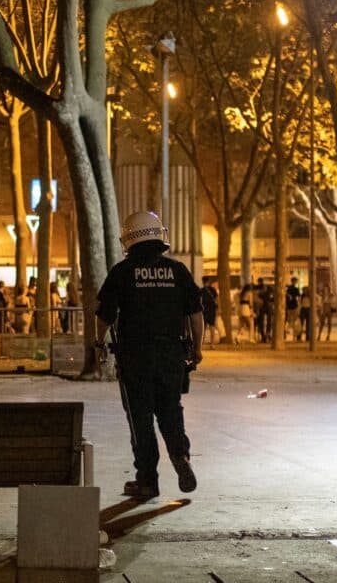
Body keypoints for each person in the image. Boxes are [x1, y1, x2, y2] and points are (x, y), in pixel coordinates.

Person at [96, 210, 204, 501]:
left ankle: (147, 481)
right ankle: (180, 455)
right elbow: (196, 314)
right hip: (171, 357)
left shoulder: (121, 273)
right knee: (171, 410)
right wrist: (197, 348)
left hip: (135, 359)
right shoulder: (178, 271)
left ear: (129, 239)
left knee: (140, 420)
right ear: (159, 236)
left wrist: (97, 346)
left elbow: (104, 316)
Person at [200, 277, 220, 347]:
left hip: (204, 311)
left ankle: (201, 343)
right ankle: (212, 344)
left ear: (203, 282)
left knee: (203, 328)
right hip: (212, 310)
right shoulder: (213, 290)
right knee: (212, 327)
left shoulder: (201, 290)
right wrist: (218, 309)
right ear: (208, 282)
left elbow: (199, 301)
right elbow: (217, 299)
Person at [285, 276, 301, 341]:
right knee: (293, 321)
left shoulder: (289, 289)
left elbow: (298, 298)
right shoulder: (294, 289)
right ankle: (293, 335)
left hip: (291, 306)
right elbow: (298, 298)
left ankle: (293, 335)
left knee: (291, 321)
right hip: (292, 306)